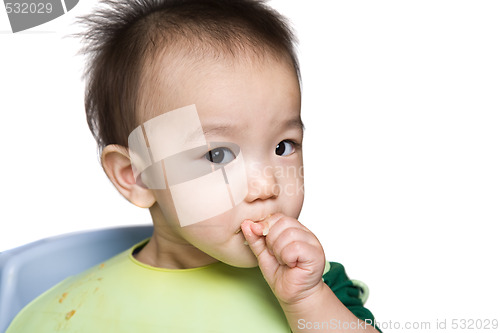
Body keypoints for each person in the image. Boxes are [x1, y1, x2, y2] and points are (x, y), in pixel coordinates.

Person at [7, 0, 381, 332]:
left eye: (284, 146)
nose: (268, 184)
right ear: (135, 176)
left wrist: (307, 301)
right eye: (218, 155)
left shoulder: (314, 287)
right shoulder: (65, 312)